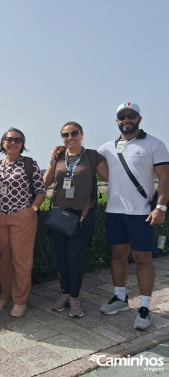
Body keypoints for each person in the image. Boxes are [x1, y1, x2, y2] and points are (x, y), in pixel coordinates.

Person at [98, 102, 169, 330]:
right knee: (118, 254)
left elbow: (165, 179)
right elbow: (84, 157)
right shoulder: (107, 147)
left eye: (131, 115)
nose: (126, 119)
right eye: (122, 116)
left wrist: (161, 207)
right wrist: (58, 151)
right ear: (116, 120)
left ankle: (145, 307)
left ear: (139, 118)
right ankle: (120, 298)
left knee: (143, 259)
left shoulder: (154, 144)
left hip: (141, 213)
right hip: (115, 211)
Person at [44, 122, 108, 318]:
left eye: (74, 133)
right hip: (60, 215)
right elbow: (45, 182)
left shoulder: (92, 156)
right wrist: (51, 161)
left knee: (75, 258)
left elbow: (111, 178)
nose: (70, 137)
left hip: (82, 216)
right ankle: (64, 294)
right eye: (65, 134)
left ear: (81, 134)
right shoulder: (58, 157)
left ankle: (75, 298)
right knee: (62, 258)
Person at [0, 128, 46, 317]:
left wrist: (31, 210)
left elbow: (41, 190)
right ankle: (4, 296)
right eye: (9, 139)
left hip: (23, 218)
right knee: (3, 260)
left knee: (21, 261)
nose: (13, 142)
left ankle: (20, 300)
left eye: (17, 139)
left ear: (22, 144)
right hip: (0, 218)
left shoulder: (29, 164)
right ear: (3, 143)